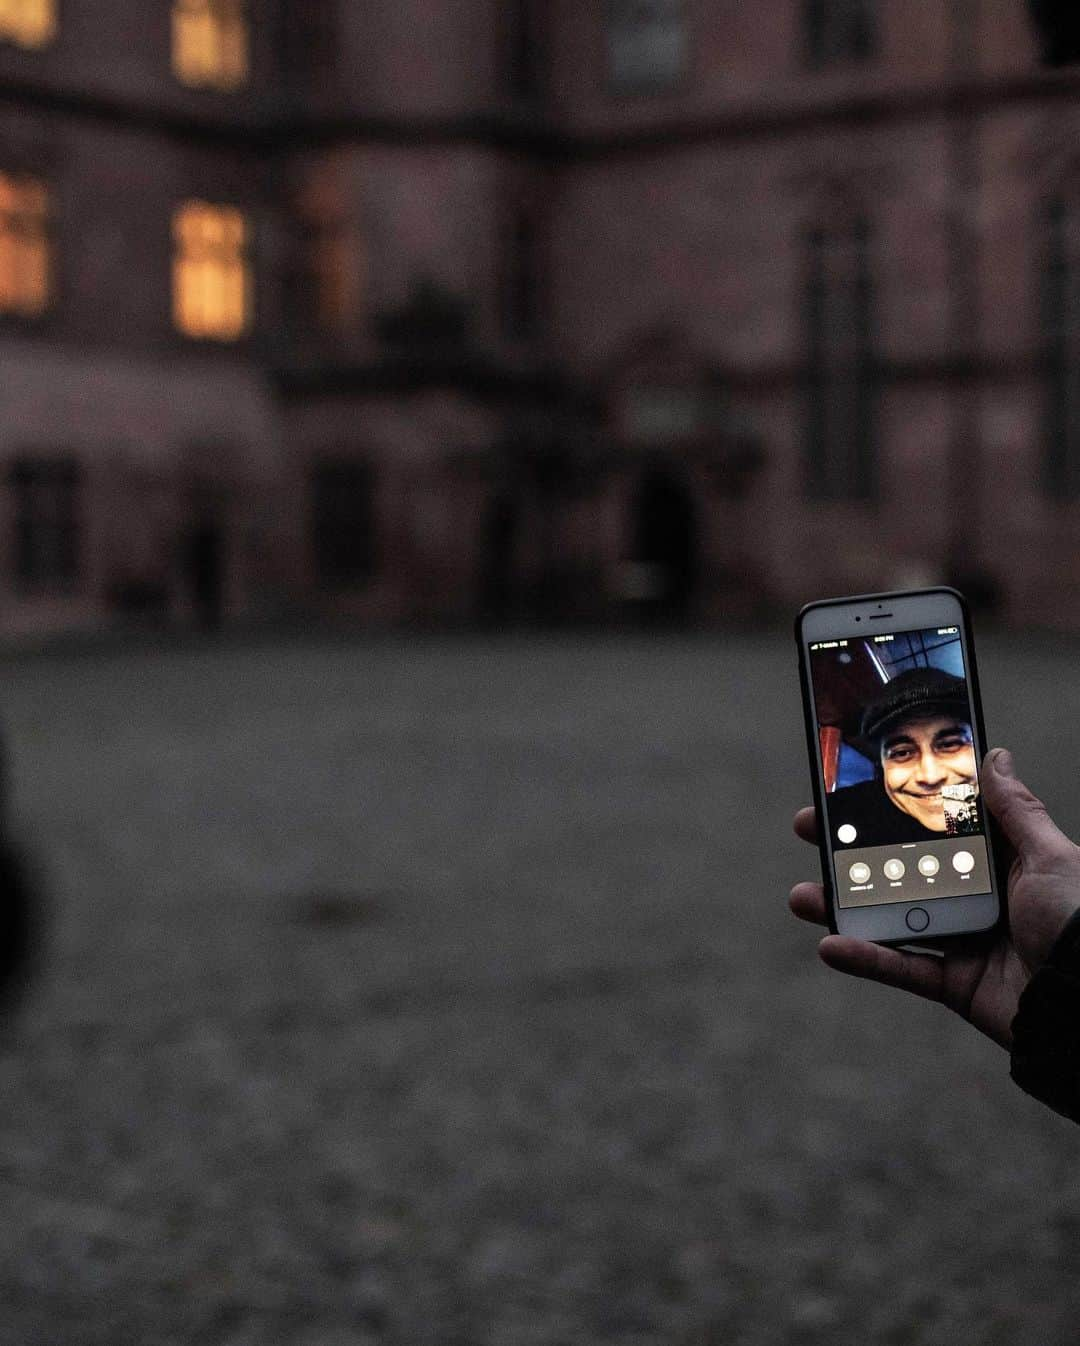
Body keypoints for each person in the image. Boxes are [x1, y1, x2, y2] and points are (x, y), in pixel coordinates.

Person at [790, 747, 1080, 1123]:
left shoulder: (960, 807)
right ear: (881, 770)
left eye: (948, 745)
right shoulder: (865, 813)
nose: (929, 773)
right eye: (902, 753)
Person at [827, 668, 979, 847]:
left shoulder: (973, 801)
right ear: (882, 764)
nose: (931, 776)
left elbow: (960, 834)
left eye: (950, 745)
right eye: (901, 753)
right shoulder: (848, 810)